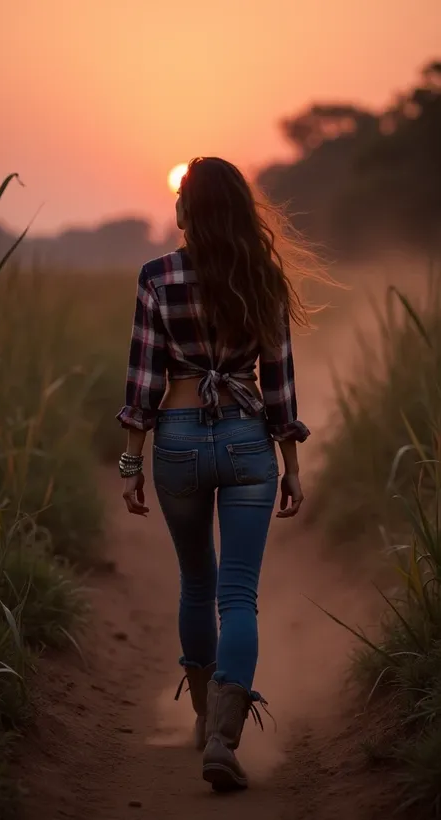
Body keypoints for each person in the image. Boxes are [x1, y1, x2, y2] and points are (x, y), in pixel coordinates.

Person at [117, 157, 311, 792]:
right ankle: (225, 738)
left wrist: (129, 462)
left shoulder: (156, 277)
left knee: (196, 584)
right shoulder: (260, 278)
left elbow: (143, 380)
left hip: (175, 441)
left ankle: (205, 720)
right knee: (238, 594)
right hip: (248, 441)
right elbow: (278, 381)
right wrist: (292, 464)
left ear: (188, 212)